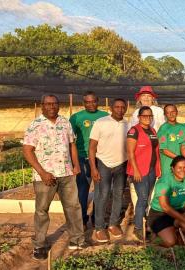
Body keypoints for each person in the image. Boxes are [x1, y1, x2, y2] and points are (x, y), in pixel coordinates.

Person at [23, 94, 85, 260]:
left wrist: (76, 164)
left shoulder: (65, 122)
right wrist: (43, 172)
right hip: (45, 176)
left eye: (54, 104)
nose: (51, 107)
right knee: (42, 210)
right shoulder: (35, 125)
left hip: (66, 172)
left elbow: (72, 144)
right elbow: (27, 151)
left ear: (59, 105)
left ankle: (77, 239)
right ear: (42, 105)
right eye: (48, 104)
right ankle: (40, 245)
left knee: (73, 207)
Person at [89, 98, 129, 243]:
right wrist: (93, 168)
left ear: (126, 108)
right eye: (117, 107)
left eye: (122, 107)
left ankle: (113, 224)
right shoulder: (101, 122)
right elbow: (92, 147)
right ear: (111, 108)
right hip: (103, 163)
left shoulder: (127, 124)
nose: (120, 109)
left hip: (122, 164)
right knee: (102, 195)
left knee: (118, 195)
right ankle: (99, 227)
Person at [69, 91, 108, 227]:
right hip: (83, 157)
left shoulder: (105, 116)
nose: (91, 104)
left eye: (93, 101)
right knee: (83, 189)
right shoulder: (76, 118)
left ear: (98, 101)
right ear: (83, 103)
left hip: (100, 158)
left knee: (101, 190)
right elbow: (69, 139)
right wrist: (73, 162)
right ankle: (82, 219)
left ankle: (97, 218)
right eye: (87, 102)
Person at [126, 106, 161, 241]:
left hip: (151, 170)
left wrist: (158, 168)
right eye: (144, 116)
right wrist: (135, 169)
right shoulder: (134, 131)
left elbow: (155, 150)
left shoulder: (152, 130)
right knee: (142, 198)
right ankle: (138, 228)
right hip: (139, 171)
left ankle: (143, 223)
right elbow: (130, 152)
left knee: (147, 198)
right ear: (139, 117)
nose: (147, 118)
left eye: (150, 116)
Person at [148, 156, 185, 246]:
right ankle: (158, 237)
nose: (182, 170)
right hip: (160, 213)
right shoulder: (164, 181)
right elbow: (165, 206)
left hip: (179, 208)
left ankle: (176, 234)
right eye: (179, 167)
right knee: (170, 242)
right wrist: (183, 219)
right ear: (173, 168)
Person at [158, 104, 185, 177]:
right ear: (165, 115)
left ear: (177, 112)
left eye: (173, 111)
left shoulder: (182, 127)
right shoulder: (163, 129)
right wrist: (179, 159)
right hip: (169, 166)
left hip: (182, 167)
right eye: (168, 112)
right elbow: (164, 150)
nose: (171, 114)